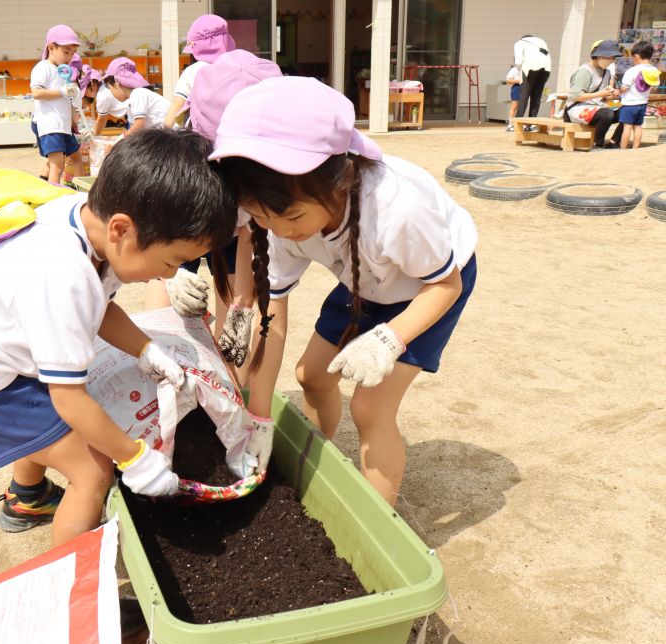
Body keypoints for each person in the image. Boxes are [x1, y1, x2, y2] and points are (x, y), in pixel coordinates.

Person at [0, 128, 237, 547]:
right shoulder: (64, 275)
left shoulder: (87, 219)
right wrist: (137, 460)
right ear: (123, 230)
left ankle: (27, 498)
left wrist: (146, 348)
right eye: (172, 261)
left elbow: (100, 307)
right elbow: (68, 399)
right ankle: (68, 584)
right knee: (94, 470)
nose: (171, 274)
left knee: (49, 426)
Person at [212, 77, 478, 504]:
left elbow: (446, 283)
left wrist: (390, 338)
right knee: (310, 376)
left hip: (428, 288)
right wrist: (259, 417)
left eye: (291, 215)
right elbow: (270, 314)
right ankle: (320, 469)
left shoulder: (395, 209)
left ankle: (381, 523)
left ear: (336, 181)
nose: (279, 229)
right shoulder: (281, 221)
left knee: (370, 408)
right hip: (365, 282)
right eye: (262, 215)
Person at [146, 50, 281, 368]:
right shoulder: (182, 176)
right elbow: (151, 243)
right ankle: (159, 361)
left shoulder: (262, 187)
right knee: (166, 304)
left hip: (230, 239)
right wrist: (170, 274)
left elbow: (250, 242)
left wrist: (239, 319)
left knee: (231, 324)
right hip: (184, 226)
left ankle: (223, 380)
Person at [31, 25, 83, 186]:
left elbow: (68, 100)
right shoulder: (42, 68)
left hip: (64, 126)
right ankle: (54, 199)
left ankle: (81, 192)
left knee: (76, 158)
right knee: (57, 165)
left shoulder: (64, 71)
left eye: (72, 53)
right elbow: (36, 93)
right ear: (51, 48)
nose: (69, 57)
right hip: (50, 125)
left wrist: (76, 122)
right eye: (66, 52)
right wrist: (61, 92)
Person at [163, 14, 236, 127]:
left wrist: (164, 130)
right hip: (235, 131)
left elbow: (177, 106)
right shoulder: (237, 65)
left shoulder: (194, 71)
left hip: (203, 136)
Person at [564, 40, 624, 150]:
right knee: (607, 114)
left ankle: (614, 141)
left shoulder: (607, 72)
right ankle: (598, 143)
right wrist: (600, 94)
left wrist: (612, 94)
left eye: (613, 58)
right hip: (578, 107)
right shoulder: (584, 71)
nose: (611, 61)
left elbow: (604, 97)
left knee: (626, 110)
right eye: (609, 57)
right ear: (599, 55)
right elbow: (575, 96)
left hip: (598, 104)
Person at [103, 57, 169, 134]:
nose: (111, 93)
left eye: (109, 88)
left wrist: (122, 140)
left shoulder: (137, 93)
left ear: (117, 82)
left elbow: (139, 124)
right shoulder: (133, 99)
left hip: (171, 138)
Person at [617, 40, 658, 150]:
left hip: (629, 104)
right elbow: (654, 88)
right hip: (642, 103)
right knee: (638, 126)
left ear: (637, 56)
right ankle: (636, 148)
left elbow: (624, 88)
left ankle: (623, 148)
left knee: (627, 127)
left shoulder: (632, 71)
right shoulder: (654, 71)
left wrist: (619, 91)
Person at [514, 35, 551, 121]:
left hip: (530, 69)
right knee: (536, 98)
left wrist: (520, 74)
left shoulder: (520, 43)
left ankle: (517, 122)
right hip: (546, 70)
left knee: (524, 96)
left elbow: (518, 62)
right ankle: (531, 123)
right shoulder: (542, 41)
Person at [93, 70, 129, 135]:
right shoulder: (104, 88)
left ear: (93, 85)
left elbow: (101, 119)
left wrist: (94, 136)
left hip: (131, 116)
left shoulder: (102, 95)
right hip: (128, 117)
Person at [505, 63, 522, 132]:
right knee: (514, 107)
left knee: (521, 108)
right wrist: (518, 81)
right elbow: (508, 80)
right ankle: (510, 125)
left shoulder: (527, 68)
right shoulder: (514, 69)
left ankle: (518, 124)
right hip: (517, 88)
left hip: (525, 89)